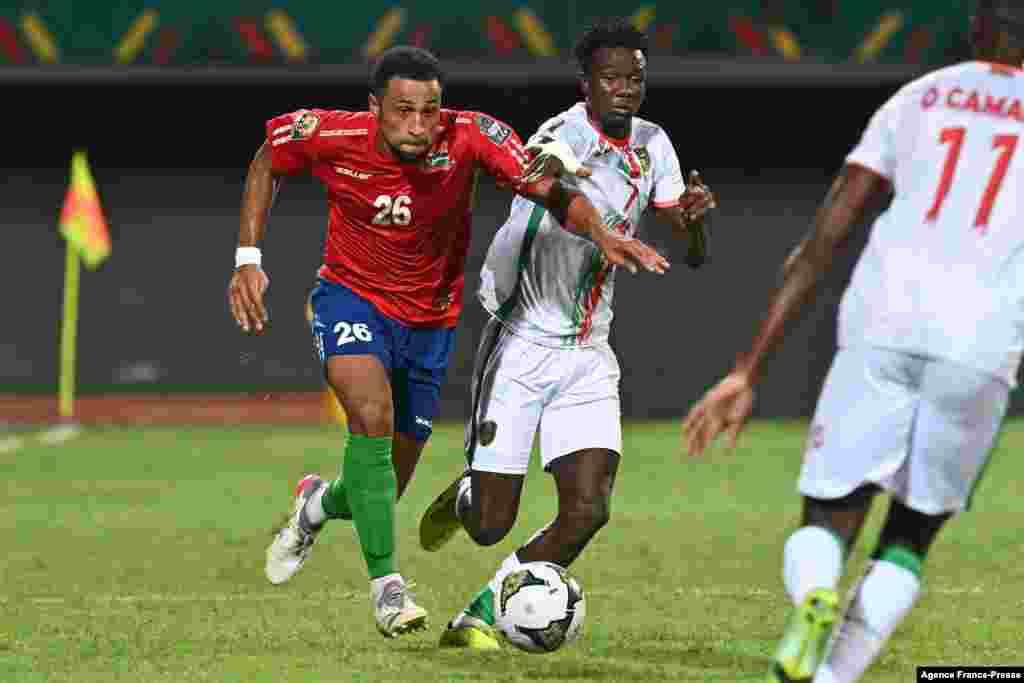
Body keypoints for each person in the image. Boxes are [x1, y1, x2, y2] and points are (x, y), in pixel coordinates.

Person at [227, 45, 669, 639]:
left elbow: (549, 188)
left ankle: (316, 504)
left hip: (430, 322)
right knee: (370, 415)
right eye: (403, 111)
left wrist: (602, 232)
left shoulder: (471, 136)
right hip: (350, 297)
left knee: (375, 491)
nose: (418, 126)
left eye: (429, 111)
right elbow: (267, 160)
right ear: (374, 107)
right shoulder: (330, 133)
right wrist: (248, 258)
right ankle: (388, 590)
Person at [684, 2, 1024, 680]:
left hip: (883, 321)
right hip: (983, 343)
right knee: (910, 535)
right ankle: (834, 675)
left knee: (829, 513)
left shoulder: (919, 98)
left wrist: (749, 369)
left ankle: (814, 593)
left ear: (975, 29)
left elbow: (825, 236)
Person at [417, 18, 716, 649]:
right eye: (611, 78)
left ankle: (477, 614)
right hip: (522, 339)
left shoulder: (655, 144)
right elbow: (552, 178)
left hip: (587, 351)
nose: (625, 90)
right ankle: (471, 493)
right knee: (491, 525)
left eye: (635, 78)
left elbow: (690, 252)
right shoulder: (558, 135)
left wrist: (692, 224)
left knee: (589, 510)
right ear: (587, 84)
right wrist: (603, 229)